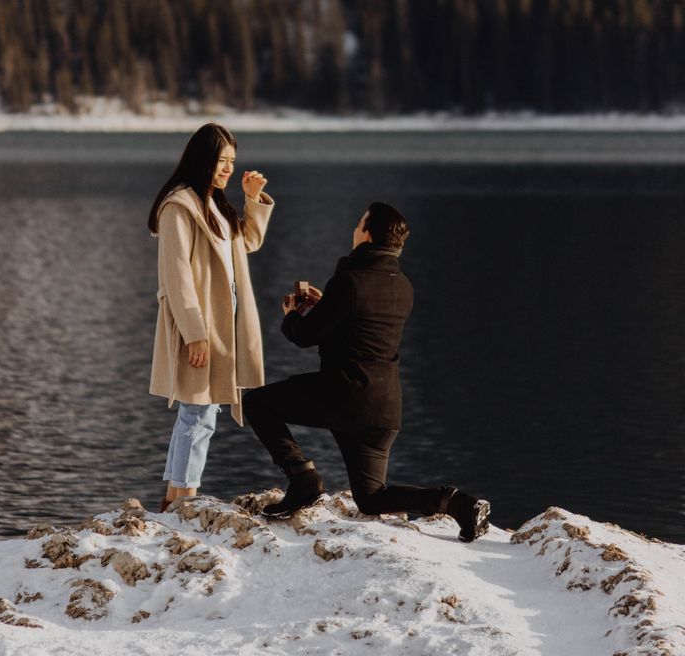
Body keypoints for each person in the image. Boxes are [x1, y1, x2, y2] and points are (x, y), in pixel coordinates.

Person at [243, 202, 490, 542]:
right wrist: (325, 305)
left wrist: (292, 314)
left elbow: (304, 336)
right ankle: (459, 504)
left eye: (359, 224)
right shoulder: (403, 285)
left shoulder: (351, 280)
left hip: (345, 397)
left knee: (256, 403)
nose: (354, 229)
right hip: (384, 409)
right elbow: (359, 328)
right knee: (372, 497)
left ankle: (303, 479)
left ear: (367, 235)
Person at [148, 123, 273, 511]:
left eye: (232, 162)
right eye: (222, 161)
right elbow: (177, 274)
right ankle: (184, 497)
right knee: (198, 411)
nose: (228, 169)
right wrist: (194, 332)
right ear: (203, 159)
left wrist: (252, 199)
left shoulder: (216, 204)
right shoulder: (179, 206)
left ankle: (174, 496)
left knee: (200, 409)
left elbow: (247, 242)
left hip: (224, 324)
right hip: (200, 323)